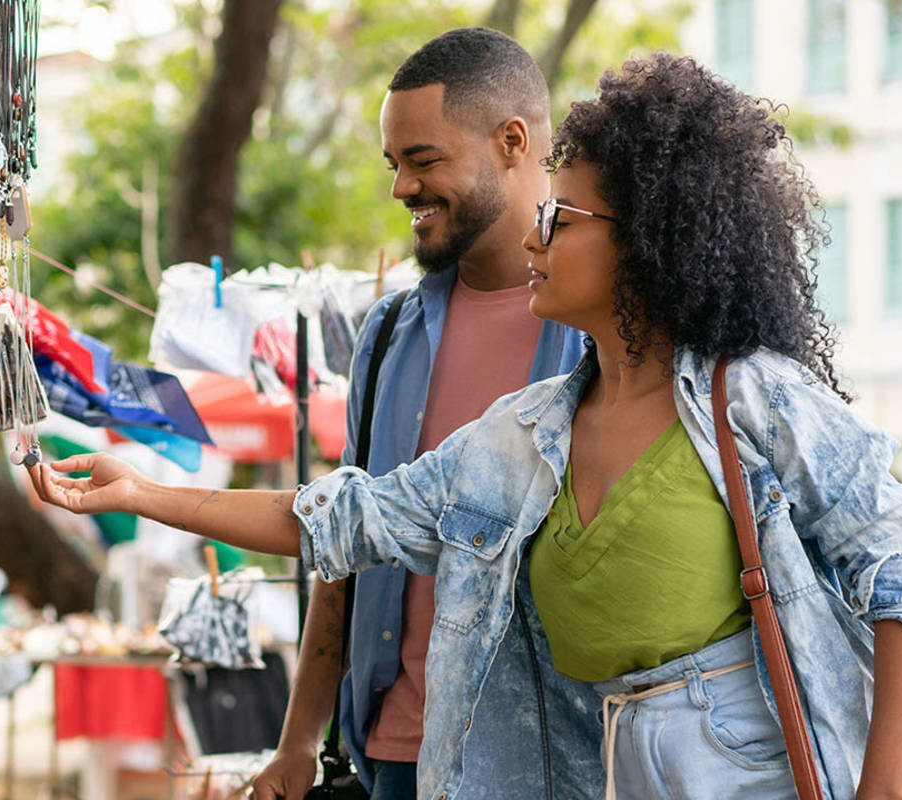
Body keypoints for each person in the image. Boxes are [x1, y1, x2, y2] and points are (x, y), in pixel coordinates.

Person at [28, 53, 902, 800]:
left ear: (647, 236)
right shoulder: (528, 433)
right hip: (599, 767)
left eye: (562, 218)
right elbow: (346, 520)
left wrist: (884, 786)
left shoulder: (752, 400)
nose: (535, 235)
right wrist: (143, 492)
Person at [248, 28, 588, 800]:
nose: (401, 188)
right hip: (388, 755)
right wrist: (301, 737)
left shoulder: (603, 327)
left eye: (424, 160)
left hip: (543, 762)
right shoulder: (390, 331)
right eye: (394, 164)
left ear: (512, 142)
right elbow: (349, 539)